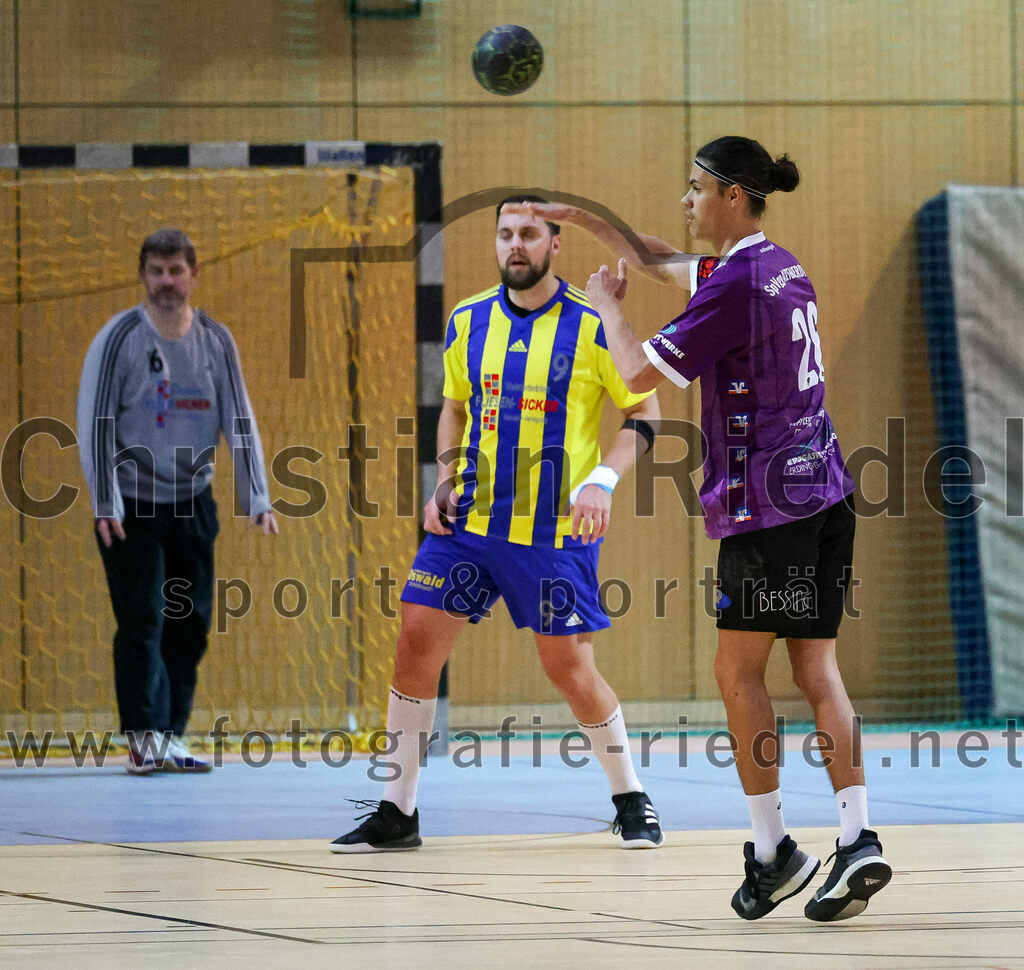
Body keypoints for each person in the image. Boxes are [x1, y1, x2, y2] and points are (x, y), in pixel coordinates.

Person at [522, 136, 892, 922]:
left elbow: (631, 377)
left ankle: (772, 852)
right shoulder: (777, 265)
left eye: (694, 188)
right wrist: (583, 217)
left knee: (738, 675)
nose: (685, 202)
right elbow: (659, 258)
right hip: (825, 493)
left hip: (770, 508)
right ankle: (858, 838)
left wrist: (608, 311)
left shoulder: (735, 288)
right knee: (818, 673)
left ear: (732, 194)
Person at [330, 197, 664, 853]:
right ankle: (398, 810)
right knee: (416, 638)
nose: (517, 244)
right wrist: (445, 478)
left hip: (551, 532)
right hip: (468, 527)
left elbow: (646, 414)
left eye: (530, 234)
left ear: (554, 244)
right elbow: (453, 408)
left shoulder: (594, 326)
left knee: (567, 666)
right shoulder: (467, 320)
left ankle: (631, 796)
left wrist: (603, 481)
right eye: (506, 234)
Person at [77, 228, 278, 775]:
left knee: (189, 621)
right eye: (157, 271)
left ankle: (170, 736)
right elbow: (94, 423)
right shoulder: (118, 340)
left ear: (192, 274)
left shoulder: (215, 340)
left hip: (192, 503)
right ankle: (143, 740)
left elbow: (239, 418)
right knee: (143, 620)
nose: (167, 281)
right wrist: (104, 500)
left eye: (176, 270)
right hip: (132, 508)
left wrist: (256, 494)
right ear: (142, 276)